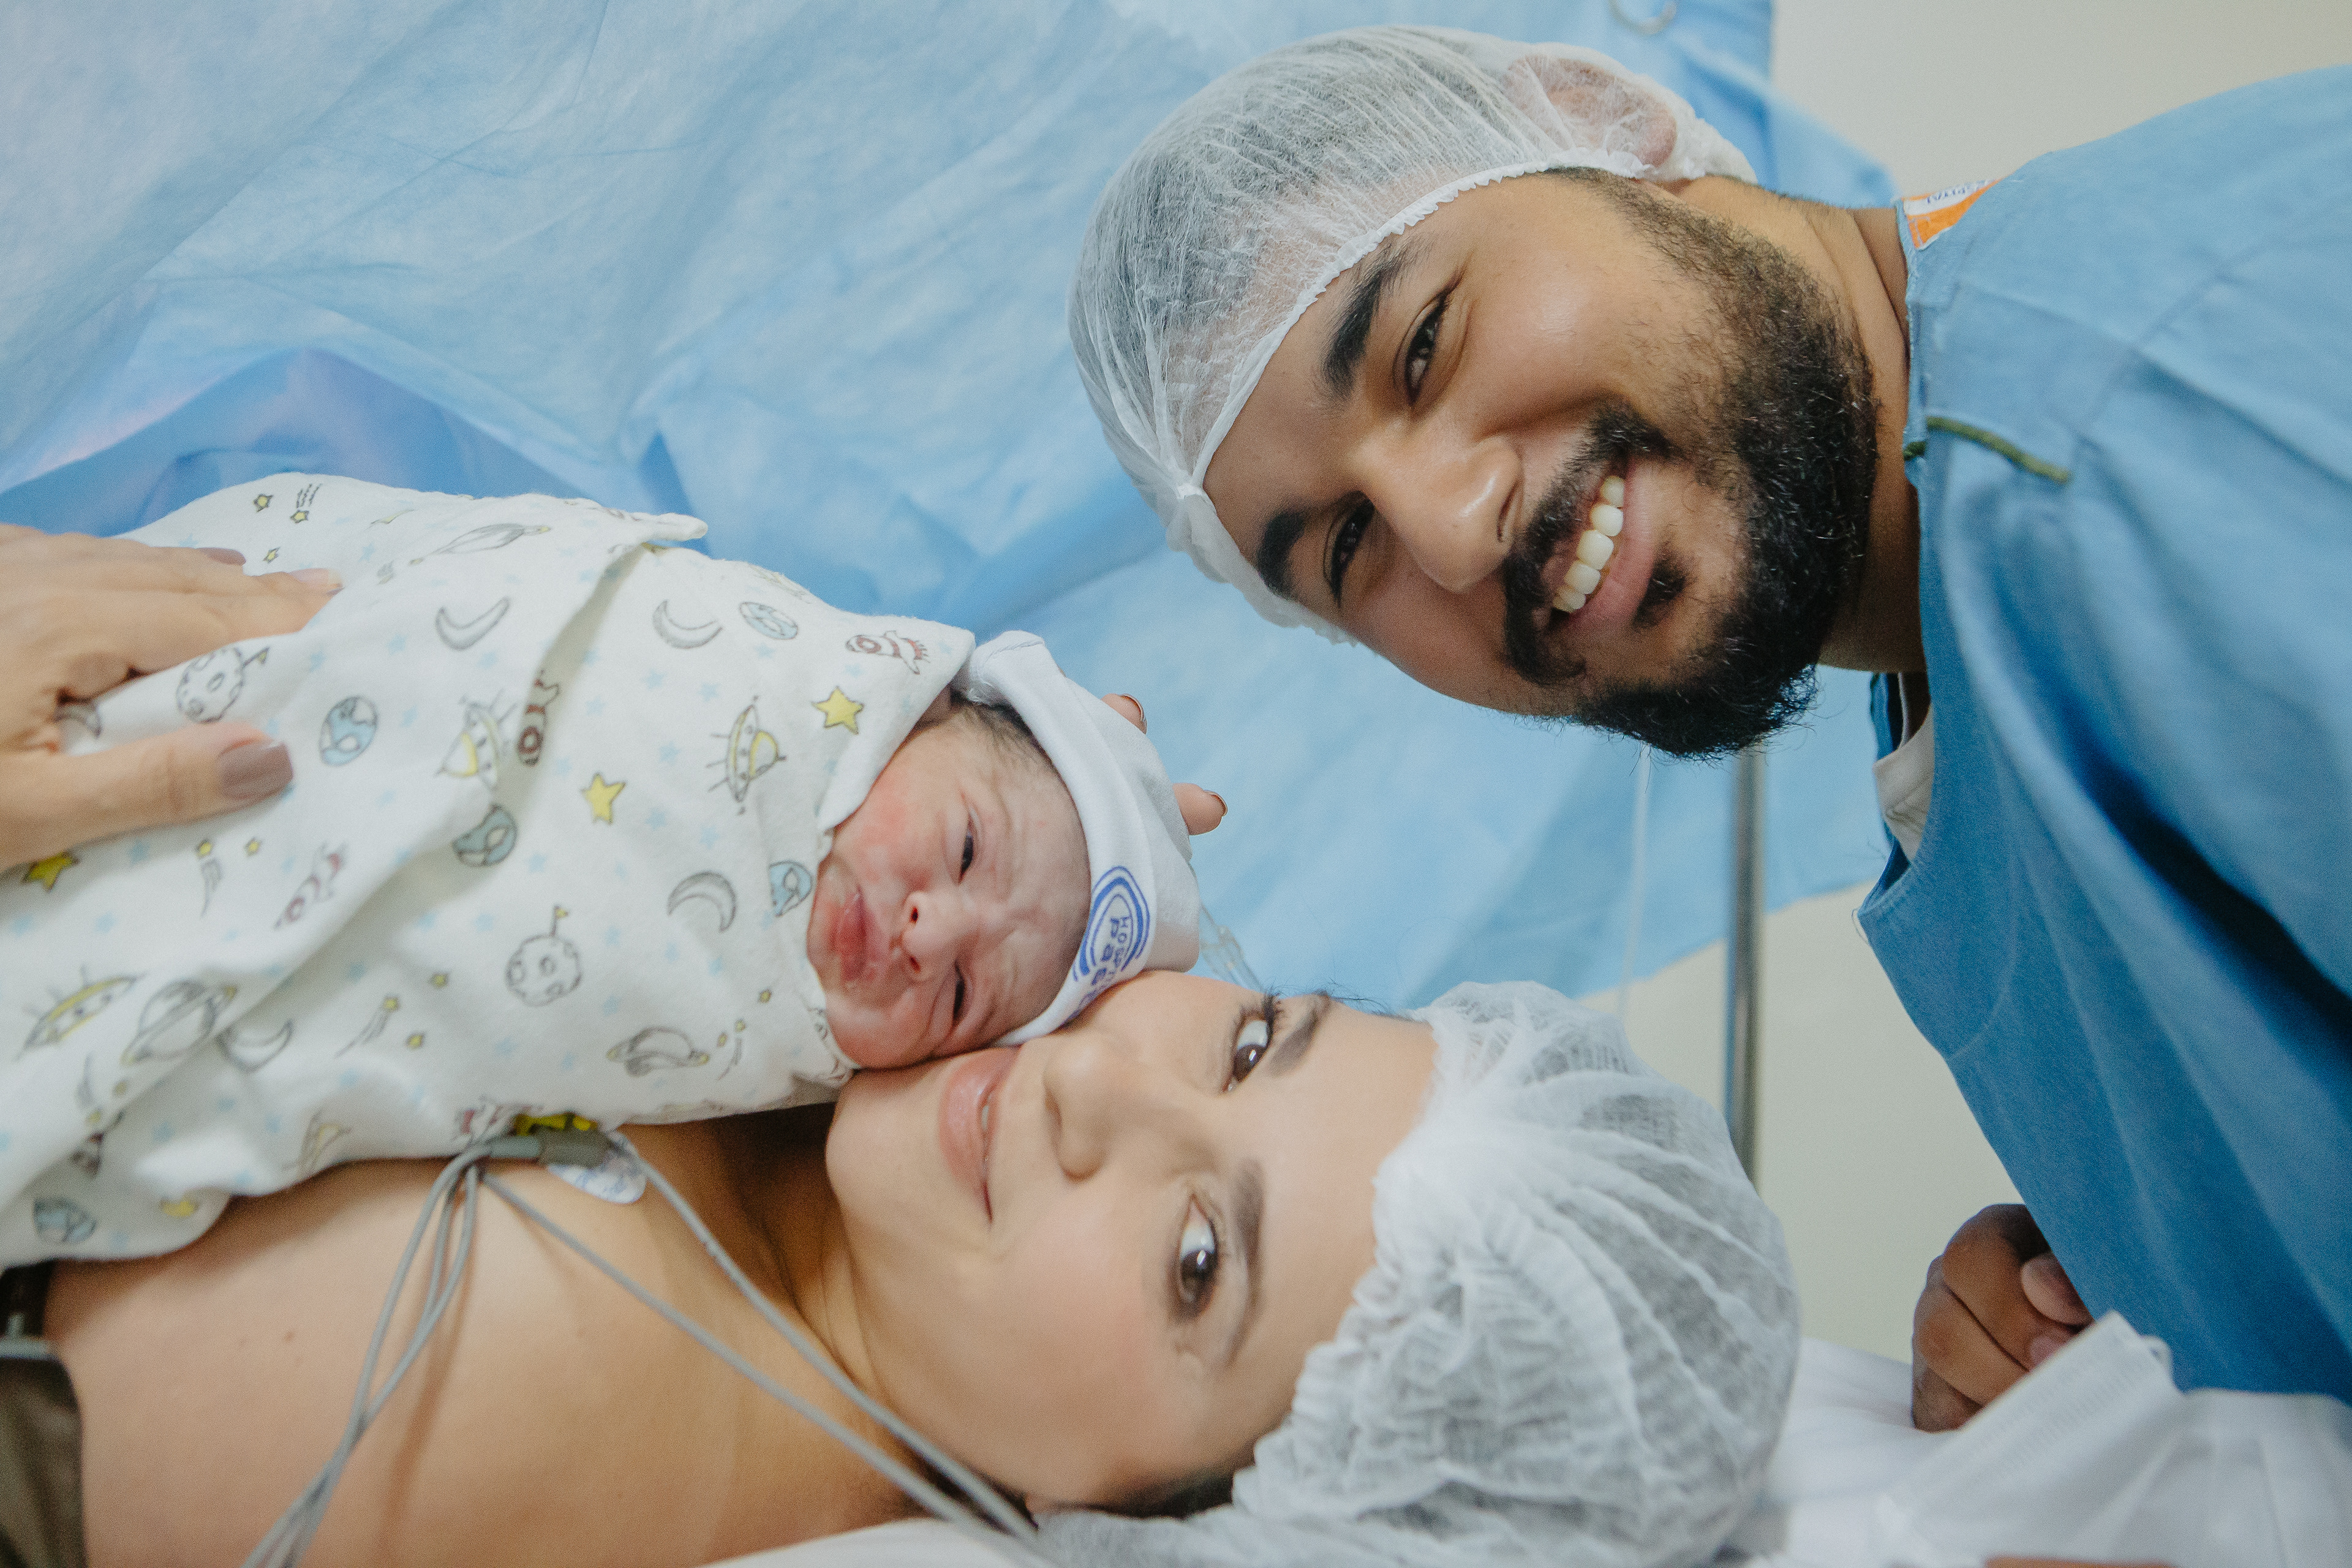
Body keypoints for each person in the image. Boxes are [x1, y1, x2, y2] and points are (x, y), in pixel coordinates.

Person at [1066, 25, 2352, 1409]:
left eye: (1425, 344)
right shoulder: (1960, 674)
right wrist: (2142, 1294)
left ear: (1603, 125)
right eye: (1346, 548)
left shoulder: (2147, 416)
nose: (1451, 528)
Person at [0, 973, 1798, 1567]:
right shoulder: (865, 994)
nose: (1100, 1081)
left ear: (1161, 1520)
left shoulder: (562, 1387)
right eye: (1252, 1040)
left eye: (1196, 1260)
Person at [1, 474, 1220, 1268]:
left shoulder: (746, 1071)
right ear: (927, 705)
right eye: (963, 848)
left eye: (959, 994)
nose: (925, 929)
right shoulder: (765, 675)